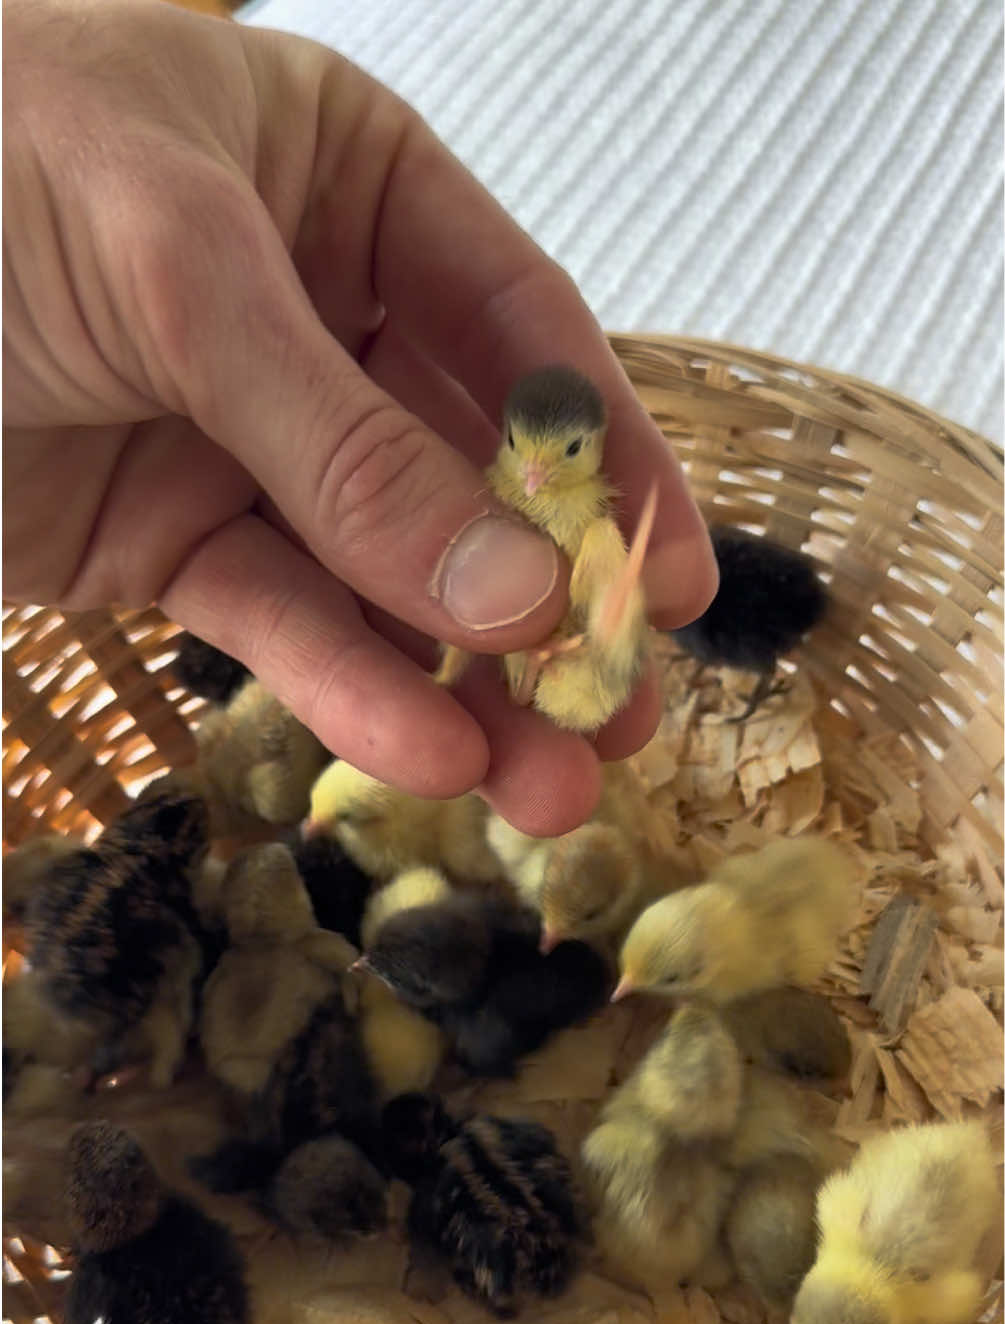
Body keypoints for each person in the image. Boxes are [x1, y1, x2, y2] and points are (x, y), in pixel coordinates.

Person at [3, 0, 717, 835]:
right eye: (521, 447)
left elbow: (599, 627)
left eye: (552, 453)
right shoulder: (508, 497)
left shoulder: (590, 535)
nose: (526, 471)